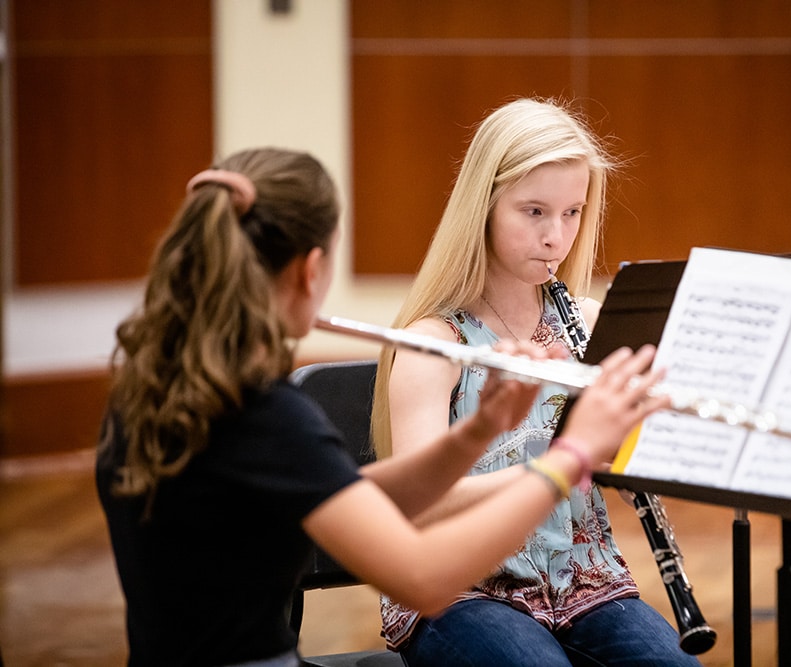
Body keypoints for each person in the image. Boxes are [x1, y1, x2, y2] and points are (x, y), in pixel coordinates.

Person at [96, 147, 671, 667]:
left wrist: (479, 433)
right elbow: (423, 581)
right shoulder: (270, 423)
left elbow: (351, 491)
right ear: (311, 269)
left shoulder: (153, 398)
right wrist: (567, 457)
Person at [371, 99, 703, 666]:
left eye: (572, 212)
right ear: (484, 207)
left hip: (587, 585)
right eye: (534, 212)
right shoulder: (436, 342)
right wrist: (561, 465)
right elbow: (420, 506)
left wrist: (637, 447)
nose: (557, 236)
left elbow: (627, 460)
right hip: (460, 589)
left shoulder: (592, 325)